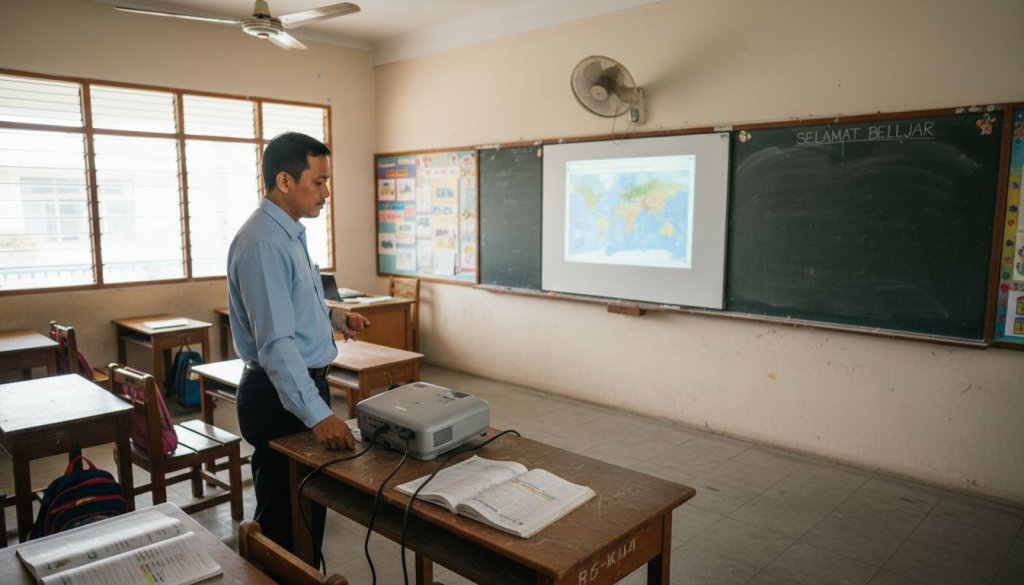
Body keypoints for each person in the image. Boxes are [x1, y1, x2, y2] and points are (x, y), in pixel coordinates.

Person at [226, 131, 370, 558]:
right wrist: (318, 414)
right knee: (287, 528)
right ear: (284, 181)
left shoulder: (287, 234)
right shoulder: (265, 243)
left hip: (293, 390)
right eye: (319, 181)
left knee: (305, 518)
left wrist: (334, 317)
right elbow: (275, 344)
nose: (326, 192)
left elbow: (291, 308)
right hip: (279, 399)